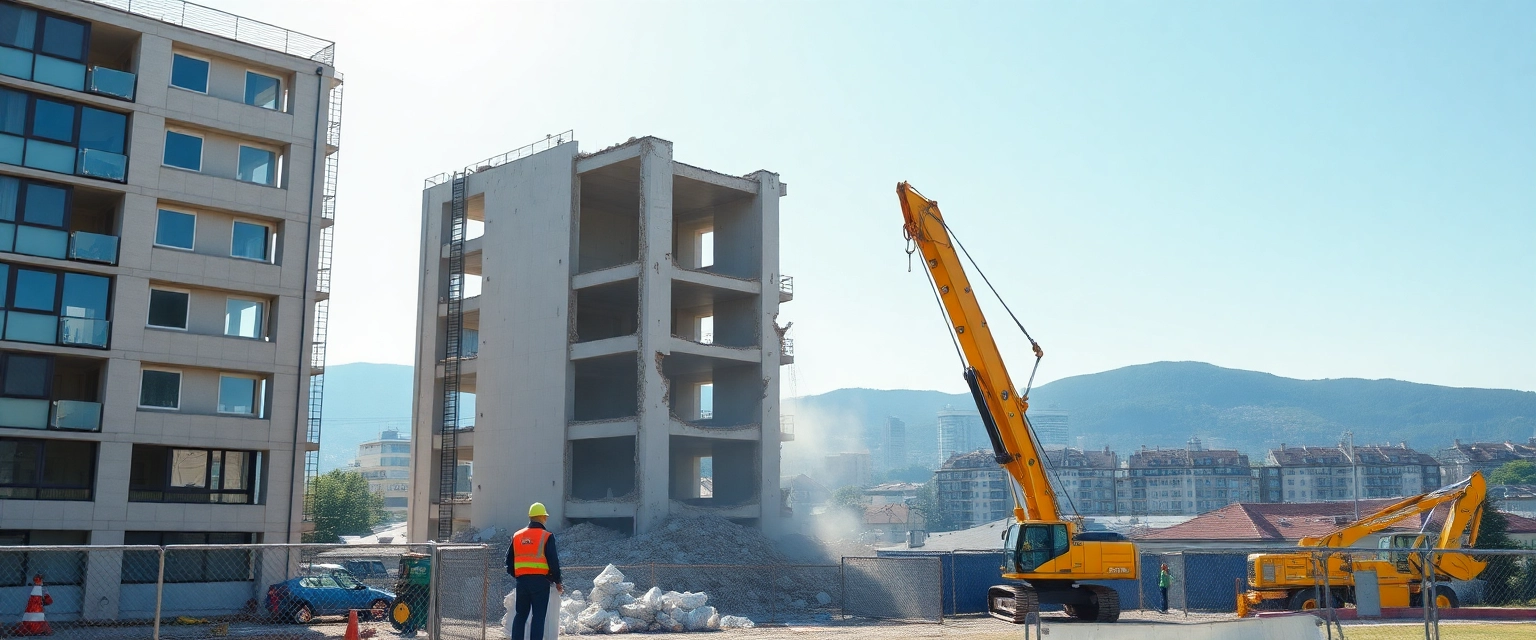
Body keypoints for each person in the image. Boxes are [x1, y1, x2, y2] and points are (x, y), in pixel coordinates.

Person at [508, 502, 563, 640]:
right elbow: (553, 562)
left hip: (522, 582)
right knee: (538, 616)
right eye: (545, 517)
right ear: (542, 517)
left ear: (530, 517)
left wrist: (519, 576)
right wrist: (557, 581)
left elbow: (508, 563)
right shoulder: (547, 536)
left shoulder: (517, 535)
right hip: (540, 582)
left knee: (520, 615)